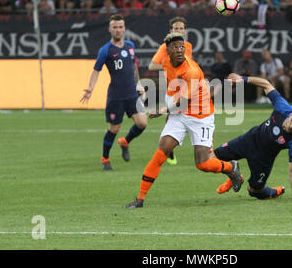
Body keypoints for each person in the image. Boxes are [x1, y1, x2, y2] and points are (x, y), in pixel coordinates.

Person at [125, 33, 243, 209]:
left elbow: (185, 101)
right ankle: (140, 199)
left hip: (200, 116)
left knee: (203, 164)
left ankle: (230, 168)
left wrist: (163, 110)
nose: (180, 50)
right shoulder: (165, 62)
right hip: (179, 115)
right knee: (160, 152)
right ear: (168, 51)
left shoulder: (192, 70)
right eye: (175, 47)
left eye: (182, 47)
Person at [214, 73, 292, 204]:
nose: (291, 126)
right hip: (249, 140)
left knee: (254, 191)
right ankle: (233, 173)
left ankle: (275, 191)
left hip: (263, 160)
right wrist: (243, 79)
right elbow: (266, 84)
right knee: (213, 157)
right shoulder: (282, 107)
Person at [80, 14, 147, 171]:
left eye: (120, 27)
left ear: (124, 28)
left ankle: (125, 142)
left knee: (142, 123)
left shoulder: (130, 45)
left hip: (132, 94)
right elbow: (96, 70)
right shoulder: (105, 50)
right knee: (114, 128)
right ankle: (105, 158)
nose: (118, 30)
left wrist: (139, 83)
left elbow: (134, 66)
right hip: (116, 96)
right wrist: (90, 88)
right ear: (110, 29)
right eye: (115, 27)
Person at [148, 16, 193, 165]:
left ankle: (169, 147)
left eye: (181, 28)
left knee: (178, 119)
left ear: (185, 31)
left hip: (185, 89)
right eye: (175, 28)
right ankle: (168, 148)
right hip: (172, 91)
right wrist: (169, 66)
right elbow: (152, 66)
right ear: (170, 31)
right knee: (176, 119)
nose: (178, 31)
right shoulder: (164, 47)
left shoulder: (188, 46)